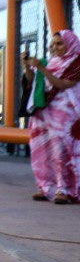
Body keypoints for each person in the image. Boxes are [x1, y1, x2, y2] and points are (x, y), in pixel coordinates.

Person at [24, 30, 80, 204]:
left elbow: (63, 84)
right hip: (45, 114)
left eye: (59, 44)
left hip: (65, 116)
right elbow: (32, 81)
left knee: (61, 152)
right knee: (43, 151)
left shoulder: (76, 62)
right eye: (52, 44)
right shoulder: (51, 62)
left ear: (70, 44)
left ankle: (64, 189)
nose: (55, 48)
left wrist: (41, 68)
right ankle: (47, 187)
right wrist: (27, 66)